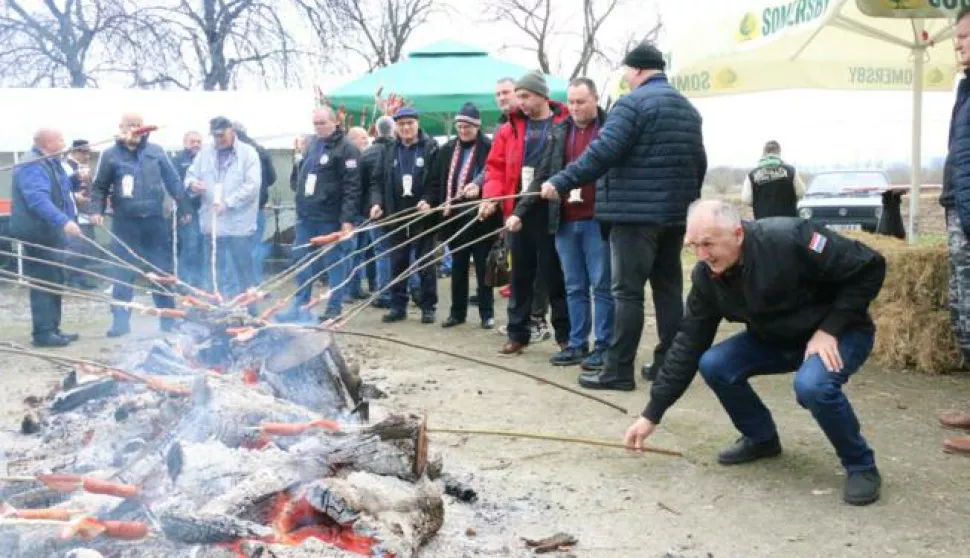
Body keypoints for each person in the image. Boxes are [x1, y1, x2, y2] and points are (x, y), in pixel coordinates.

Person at [624, 200, 886, 506]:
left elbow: (870, 265)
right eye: (693, 246)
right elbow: (688, 344)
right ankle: (761, 439)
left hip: (839, 333)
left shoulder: (792, 238)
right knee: (714, 363)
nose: (702, 256)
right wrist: (651, 414)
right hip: (776, 340)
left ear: (737, 234)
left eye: (708, 244)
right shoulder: (707, 278)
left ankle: (861, 466)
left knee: (812, 386)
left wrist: (830, 328)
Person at [539, 42, 707, 389]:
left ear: (636, 70)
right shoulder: (687, 109)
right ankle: (669, 366)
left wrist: (560, 180)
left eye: (627, 72)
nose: (626, 79)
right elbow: (699, 163)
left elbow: (602, 152)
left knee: (627, 293)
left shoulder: (631, 104)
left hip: (634, 217)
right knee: (668, 291)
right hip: (675, 216)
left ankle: (618, 371)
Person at [514, 77, 613, 369]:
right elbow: (543, 173)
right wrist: (520, 211)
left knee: (603, 286)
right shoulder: (559, 132)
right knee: (574, 286)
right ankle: (577, 343)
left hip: (599, 219)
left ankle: (604, 346)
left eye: (581, 102)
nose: (575, 107)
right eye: (571, 102)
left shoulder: (609, 129)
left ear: (596, 99)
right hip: (565, 220)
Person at [480, 70, 570, 355]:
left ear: (543, 96)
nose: (520, 102)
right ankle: (518, 333)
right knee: (519, 276)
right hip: (517, 211)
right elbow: (494, 167)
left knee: (554, 276)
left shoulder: (563, 124)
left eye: (525, 96)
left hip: (554, 210)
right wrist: (491, 197)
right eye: (518, 96)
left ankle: (565, 336)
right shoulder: (510, 129)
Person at [90, 112, 190, 337]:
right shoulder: (110, 155)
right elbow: (99, 187)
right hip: (126, 224)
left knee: (162, 272)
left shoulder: (156, 152)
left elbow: (173, 181)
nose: (135, 128)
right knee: (122, 274)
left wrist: (184, 208)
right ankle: (121, 322)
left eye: (138, 125)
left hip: (155, 222)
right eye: (130, 125)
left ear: (144, 128)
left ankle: (168, 321)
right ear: (121, 127)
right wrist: (96, 210)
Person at [278, 106, 361, 323]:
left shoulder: (347, 149)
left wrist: (347, 220)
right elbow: (301, 173)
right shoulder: (313, 144)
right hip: (307, 217)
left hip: (330, 218)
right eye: (315, 123)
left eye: (322, 123)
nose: (318, 127)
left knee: (334, 262)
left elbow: (353, 188)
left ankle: (334, 306)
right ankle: (300, 306)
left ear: (334, 123)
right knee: (301, 260)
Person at [10, 128, 83, 347]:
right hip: (38, 232)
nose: (64, 142)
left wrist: (76, 189)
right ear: (47, 142)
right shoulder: (32, 164)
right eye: (60, 139)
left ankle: (53, 328)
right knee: (43, 280)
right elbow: (38, 201)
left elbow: (62, 191)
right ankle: (43, 333)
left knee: (55, 278)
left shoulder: (51, 162)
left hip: (51, 232)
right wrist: (64, 221)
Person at [430, 102, 500, 329]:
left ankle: (486, 313)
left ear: (477, 126)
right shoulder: (447, 150)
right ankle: (457, 313)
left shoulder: (489, 148)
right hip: (454, 218)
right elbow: (436, 180)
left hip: (481, 218)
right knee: (458, 267)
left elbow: (493, 174)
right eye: (460, 125)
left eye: (468, 126)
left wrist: (479, 186)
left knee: (482, 269)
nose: (463, 130)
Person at [369, 107, 439, 324]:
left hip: (423, 215)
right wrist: (377, 203)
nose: (406, 128)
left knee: (425, 263)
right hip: (396, 215)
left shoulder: (431, 147)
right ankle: (398, 306)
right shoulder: (389, 149)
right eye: (401, 124)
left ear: (417, 124)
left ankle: (428, 307)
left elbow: (436, 180)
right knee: (397, 263)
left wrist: (429, 199)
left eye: (409, 123)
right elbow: (377, 181)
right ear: (396, 128)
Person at [938, 6, 970, 456]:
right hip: (959, 210)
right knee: (963, 313)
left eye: (965, 36)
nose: (959, 44)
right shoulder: (965, 88)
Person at [185, 117, 262, 299]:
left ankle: (249, 312)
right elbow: (190, 175)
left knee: (244, 273)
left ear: (232, 131)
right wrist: (193, 185)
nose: (219, 139)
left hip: (238, 226)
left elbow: (252, 186)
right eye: (215, 136)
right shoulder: (204, 153)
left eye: (222, 135)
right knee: (212, 273)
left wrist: (228, 203)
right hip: (212, 226)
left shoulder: (248, 153)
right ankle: (216, 312)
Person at [233, 121, 277, 284]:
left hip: (235, 210)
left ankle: (237, 286)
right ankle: (255, 283)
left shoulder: (230, 151)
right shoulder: (261, 150)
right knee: (255, 247)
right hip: (257, 206)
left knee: (235, 248)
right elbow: (272, 178)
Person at [359, 116, 396, 308]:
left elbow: (363, 185)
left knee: (381, 252)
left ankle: (385, 293)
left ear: (376, 131)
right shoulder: (398, 150)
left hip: (374, 210)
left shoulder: (366, 154)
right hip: (396, 210)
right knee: (403, 250)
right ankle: (407, 290)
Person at [61, 139, 98, 290]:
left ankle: (81, 277)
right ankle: (71, 278)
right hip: (71, 213)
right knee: (74, 247)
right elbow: (62, 190)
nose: (87, 156)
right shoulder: (64, 166)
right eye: (84, 152)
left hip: (85, 211)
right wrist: (75, 197)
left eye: (88, 152)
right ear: (75, 151)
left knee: (86, 246)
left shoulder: (85, 167)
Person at [741, 140, 806, 219]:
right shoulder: (791, 171)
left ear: (764, 153)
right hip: (788, 222)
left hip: (762, 223)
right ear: (779, 152)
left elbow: (746, 199)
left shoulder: (752, 174)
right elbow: (801, 193)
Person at [171, 131, 203, 287]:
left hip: (205, 210)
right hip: (187, 211)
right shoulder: (177, 161)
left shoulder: (207, 159)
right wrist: (185, 210)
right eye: (192, 141)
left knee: (202, 247)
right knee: (189, 246)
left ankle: (199, 282)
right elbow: (175, 188)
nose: (196, 144)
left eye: (198, 141)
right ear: (185, 143)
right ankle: (184, 282)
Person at [345, 125, 373, 300]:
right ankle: (346, 289)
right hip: (352, 214)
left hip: (364, 212)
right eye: (362, 137)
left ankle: (356, 287)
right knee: (349, 252)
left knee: (360, 253)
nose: (366, 140)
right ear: (352, 140)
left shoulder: (365, 158)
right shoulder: (348, 159)